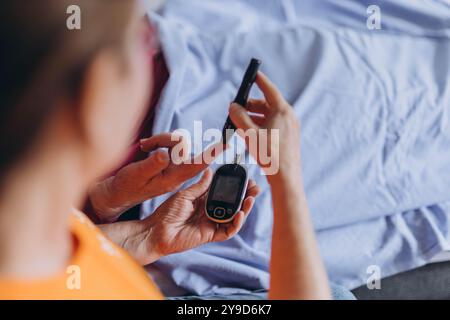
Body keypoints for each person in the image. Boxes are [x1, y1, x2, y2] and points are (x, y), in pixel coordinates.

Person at [0, 0, 334, 299]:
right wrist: (285, 177)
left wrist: (141, 233)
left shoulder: (39, 230)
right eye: (137, 42)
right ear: (94, 95)